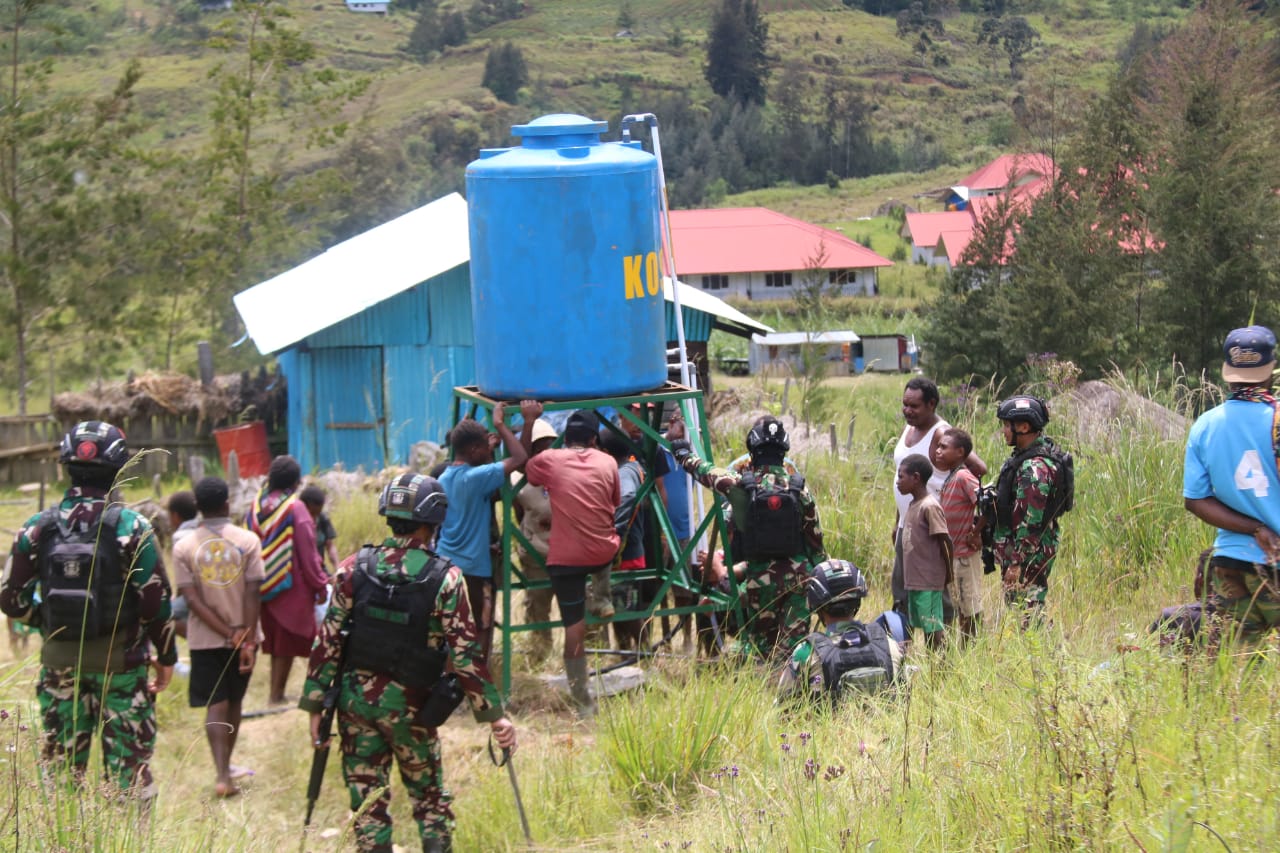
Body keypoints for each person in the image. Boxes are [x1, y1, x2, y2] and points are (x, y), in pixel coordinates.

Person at [300, 473, 516, 852]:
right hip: (413, 710)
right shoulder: (445, 577)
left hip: (355, 706)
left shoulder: (353, 567)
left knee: (367, 803)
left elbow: (328, 638)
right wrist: (493, 714)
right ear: (433, 521)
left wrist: (314, 703)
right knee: (430, 801)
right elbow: (465, 653)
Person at [0, 421, 177, 797]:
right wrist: (166, 656)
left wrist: (44, 620)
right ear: (118, 468)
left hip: (59, 670)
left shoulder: (37, 528)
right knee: (130, 776)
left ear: (66, 465)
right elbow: (156, 603)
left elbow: (10, 601)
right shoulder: (133, 527)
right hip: (124, 670)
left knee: (60, 778)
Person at [667, 414, 828, 662]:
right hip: (799, 579)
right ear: (784, 449)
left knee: (762, 650)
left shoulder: (740, 485)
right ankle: (794, 691)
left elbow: (706, 472)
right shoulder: (799, 488)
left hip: (759, 580)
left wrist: (683, 455)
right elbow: (816, 546)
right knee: (793, 651)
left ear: (751, 448)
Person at [522, 405, 620, 718]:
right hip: (601, 553)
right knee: (609, 539)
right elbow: (614, 502)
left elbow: (526, 467)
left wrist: (528, 422)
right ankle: (601, 596)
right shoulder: (608, 461)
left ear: (566, 438)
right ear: (594, 438)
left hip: (565, 558)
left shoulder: (551, 460)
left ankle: (582, 699)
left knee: (573, 629)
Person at [1184, 325, 1280, 644]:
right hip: (1276, 565)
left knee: (1238, 675)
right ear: (1269, 369)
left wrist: (1254, 528)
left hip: (1230, 566)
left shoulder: (1205, 425)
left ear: (1228, 372)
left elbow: (1196, 501)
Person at [171, 476, 262, 798]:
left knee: (216, 703)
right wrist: (245, 638)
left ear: (197, 507)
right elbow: (254, 592)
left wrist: (227, 634)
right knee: (235, 700)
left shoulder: (183, 546)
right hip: (246, 636)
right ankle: (227, 769)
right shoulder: (248, 540)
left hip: (206, 638)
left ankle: (222, 773)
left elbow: (191, 601)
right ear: (227, 504)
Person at [436, 402, 533, 660]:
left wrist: (487, 451)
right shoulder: (475, 478)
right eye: (484, 446)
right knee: (480, 623)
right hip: (472, 567)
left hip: (444, 560)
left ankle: (450, 676)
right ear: (474, 449)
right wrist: (501, 424)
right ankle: (475, 678)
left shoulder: (445, 477)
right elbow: (520, 458)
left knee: (449, 625)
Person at [891, 377, 985, 616]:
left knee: (934, 590)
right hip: (907, 522)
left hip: (929, 526)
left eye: (914, 406)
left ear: (931, 404)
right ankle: (906, 643)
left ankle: (944, 645)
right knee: (903, 588)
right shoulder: (909, 429)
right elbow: (904, 477)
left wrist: (960, 509)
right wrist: (897, 521)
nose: (908, 410)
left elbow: (978, 468)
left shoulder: (940, 433)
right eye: (905, 404)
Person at [246, 455, 329, 705]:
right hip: (289, 583)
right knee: (288, 642)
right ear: (296, 481)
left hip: (261, 582)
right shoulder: (295, 507)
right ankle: (277, 695)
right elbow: (308, 550)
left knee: (276, 641)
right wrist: (319, 583)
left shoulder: (257, 504)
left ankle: (276, 693)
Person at [992, 394, 1072, 626]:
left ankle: (1040, 659)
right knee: (1022, 611)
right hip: (1025, 551)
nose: (1004, 431)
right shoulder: (1026, 458)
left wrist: (1017, 562)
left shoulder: (1034, 468)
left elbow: (1031, 520)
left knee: (1027, 614)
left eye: (1008, 425)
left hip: (1028, 554)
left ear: (1024, 427)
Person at [778, 559, 903, 702]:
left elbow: (783, 708)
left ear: (817, 607)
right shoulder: (889, 646)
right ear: (858, 602)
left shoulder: (805, 653)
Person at [510, 417, 558, 663]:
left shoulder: (563, 473)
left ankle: (587, 652)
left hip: (566, 553)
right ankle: (541, 656)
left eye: (549, 445)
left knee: (581, 603)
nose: (545, 452)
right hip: (536, 552)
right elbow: (519, 515)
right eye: (539, 447)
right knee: (538, 608)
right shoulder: (519, 482)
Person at [599, 428, 649, 650]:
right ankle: (626, 655)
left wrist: (616, 533)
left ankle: (644, 654)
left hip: (625, 553)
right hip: (626, 551)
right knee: (620, 609)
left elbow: (628, 496)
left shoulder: (624, 472)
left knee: (626, 609)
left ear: (606, 452)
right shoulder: (631, 467)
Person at [897, 453, 952, 650]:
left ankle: (941, 670)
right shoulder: (913, 505)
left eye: (901, 476)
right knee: (921, 625)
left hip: (928, 580)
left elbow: (946, 541)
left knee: (933, 628)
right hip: (915, 580)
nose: (897, 482)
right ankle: (932, 670)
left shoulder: (929, 506)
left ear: (916, 478)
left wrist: (948, 574)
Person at [933, 428, 984, 640]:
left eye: (944, 447)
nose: (938, 451)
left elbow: (986, 503)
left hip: (964, 555)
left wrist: (976, 532)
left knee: (969, 605)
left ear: (960, 452)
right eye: (938, 446)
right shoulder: (950, 477)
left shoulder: (963, 476)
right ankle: (964, 647)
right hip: (953, 556)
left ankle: (971, 648)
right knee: (960, 604)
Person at [166, 490, 199, 640]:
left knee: (163, 617)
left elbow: (183, 577)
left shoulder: (179, 537)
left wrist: (176, 597)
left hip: (193, 594)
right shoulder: (202, 528)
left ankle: (196, 639)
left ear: (175, 516)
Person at [299, 484, 341, 574]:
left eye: (317, 514)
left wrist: (338, 568)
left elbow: (330, 546)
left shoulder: (322, 519)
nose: (314, 518)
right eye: (312, 513)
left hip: (319, 569)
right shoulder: (296, 522)